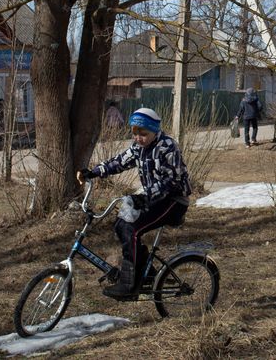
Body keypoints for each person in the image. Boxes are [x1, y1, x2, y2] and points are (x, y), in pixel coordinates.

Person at [77, 107, 191, 297]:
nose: (138, 138)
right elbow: (119, 162)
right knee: (121, 225)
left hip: (174, 201)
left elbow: (173, 181)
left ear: (155, 131)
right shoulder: (139, 148)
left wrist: (145, 197)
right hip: (154, 198)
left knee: (133, 230)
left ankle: (130, 285)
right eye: (135, 134)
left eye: (143, 134)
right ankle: (147, 272)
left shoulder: (168, 146)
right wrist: (94, 171)